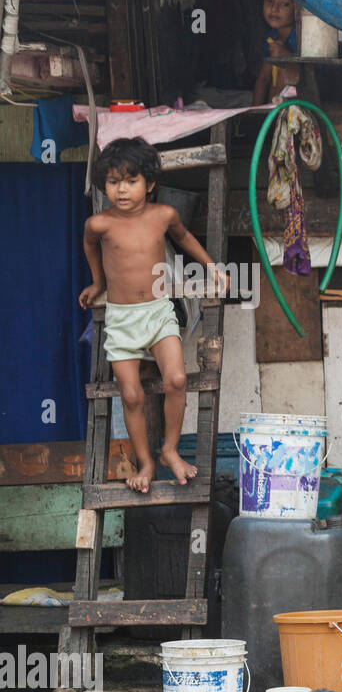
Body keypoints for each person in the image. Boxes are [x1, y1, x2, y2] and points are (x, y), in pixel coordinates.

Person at [79, 137, 226, 493]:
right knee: (131, 395)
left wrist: (213, 268)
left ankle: (170, 451)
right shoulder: (99, 224)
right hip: (121, 319)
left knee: (176, 380)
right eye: (113, 182)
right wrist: (98, 282)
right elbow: (89, 247)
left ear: (150, 183)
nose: (122, 189)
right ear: (104, 186)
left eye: (131, 180)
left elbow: (187, 238)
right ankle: (145, 463)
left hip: (159, 313)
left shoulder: (164, 216)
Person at [252, 0, 299, 106]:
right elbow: (263, 79)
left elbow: (302, 74)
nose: (274, 9)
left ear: (297, 8)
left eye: (284, 4)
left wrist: (286, 56)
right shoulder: (271, 37)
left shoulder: (299, 37)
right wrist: (255, 114)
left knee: (284, 67)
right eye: (269, 1)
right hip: (274, 104)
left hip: (294, 104)